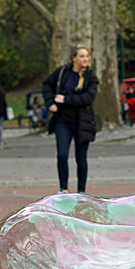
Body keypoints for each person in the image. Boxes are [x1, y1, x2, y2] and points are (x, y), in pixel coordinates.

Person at [43, 46, 98, 194]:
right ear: (74, 58)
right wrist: (50, 103)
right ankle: (63, 188)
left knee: (81, 158)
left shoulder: (91, 76)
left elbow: (88, 98)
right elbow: (46, 84)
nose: (85, 59)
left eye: (87, 56)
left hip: (83, 122)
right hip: (63, 121)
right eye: (81, 56)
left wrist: (66, 99)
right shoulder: (63, 72)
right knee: (62, 154)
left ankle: (81, 191)